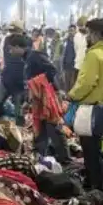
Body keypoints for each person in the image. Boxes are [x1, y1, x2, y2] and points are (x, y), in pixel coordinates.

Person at [69, 18, 103, 190]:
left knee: (90, 151)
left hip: (90, 109)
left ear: (94, 34)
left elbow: (87, 82)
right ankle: (96, 184)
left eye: (88, 33)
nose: (86, 36)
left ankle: (94, 187)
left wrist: (72, 95)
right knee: (95, 150)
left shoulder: (93, 54)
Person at [24, 34, 69, 163]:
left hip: (47, 95)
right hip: (38, 97)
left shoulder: (35, 56)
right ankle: (40, 155)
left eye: (11, 48)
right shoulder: (27, 58)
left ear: (20, 47)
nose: (9, 51)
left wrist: (40, 84)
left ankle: (65, 159)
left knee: (53, 125)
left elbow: (52, 70)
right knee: (40, 124)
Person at [61, 24, 78, 92]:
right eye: (70, 31)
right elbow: (63, 54)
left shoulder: (77, 41)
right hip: (67, 66)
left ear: (75, 31)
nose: (71, 32)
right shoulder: (65, 41)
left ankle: (71, 100)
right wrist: (62, 66)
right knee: (66, 84)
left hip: (74, 66)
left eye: (72, 30)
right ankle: (66, 100)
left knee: (73, 84)